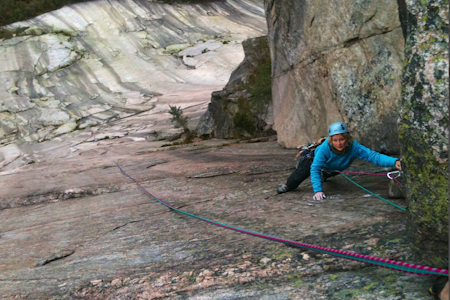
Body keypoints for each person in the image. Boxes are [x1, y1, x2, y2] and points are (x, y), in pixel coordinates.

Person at [277, 122, 402, 200]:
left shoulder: (354, 147)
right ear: (331, 140)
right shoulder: (325, 148)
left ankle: (324, 175)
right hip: (313, 161)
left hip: (334, 166)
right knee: (300, 174)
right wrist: (318, 191)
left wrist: (395, 162)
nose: (338, 143)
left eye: (341, 139)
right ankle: (288, 186)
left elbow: (373, 156)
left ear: (346, 138)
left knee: (334, 168)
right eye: (335, 140)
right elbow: (315, 168)